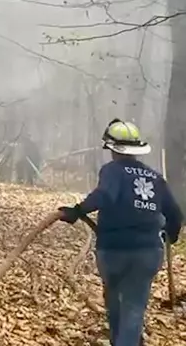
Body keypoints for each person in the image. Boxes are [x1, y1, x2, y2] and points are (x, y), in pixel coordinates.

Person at [58, 119, 183, 346]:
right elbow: (175, 213)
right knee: (134, 307)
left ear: (112, 148)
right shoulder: (155, 177)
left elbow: (104, 195)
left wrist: (77, 211)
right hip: (147, 252)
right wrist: (170, 235)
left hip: (113, 250)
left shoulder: (112, 171)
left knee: (114, 302)